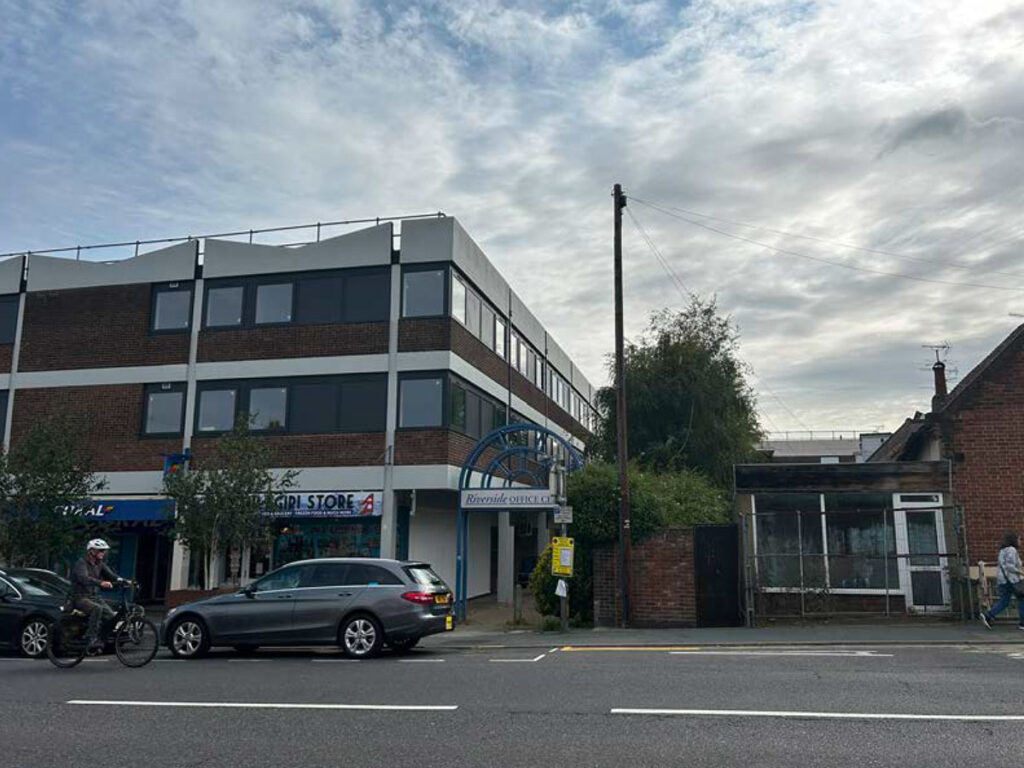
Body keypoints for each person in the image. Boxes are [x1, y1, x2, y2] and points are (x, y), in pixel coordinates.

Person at [70, 539, 120, 651]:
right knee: (97, 609)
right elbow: (83, 578)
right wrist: (100, 582)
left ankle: (100, 638)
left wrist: (126, 581)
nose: (103, 553)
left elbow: (112, 576)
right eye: (101, 550)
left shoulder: (100, 564)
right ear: (92, 551)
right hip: (80, 597)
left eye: (104, 551)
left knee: (112, 617)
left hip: (94, 597)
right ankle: (90, 637)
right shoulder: (81, 563)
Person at [980, 531, 1024, 629]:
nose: (1020, 541)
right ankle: (1022, 623)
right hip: (1011, 580)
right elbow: (1010, 566)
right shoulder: (1012, 550)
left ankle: (989, 615)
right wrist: (1021, 572)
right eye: (1019, 539)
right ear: (1014, 540)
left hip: (1003, 579)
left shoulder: (1002, 551)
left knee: (1004, 601)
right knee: (1022, 599)